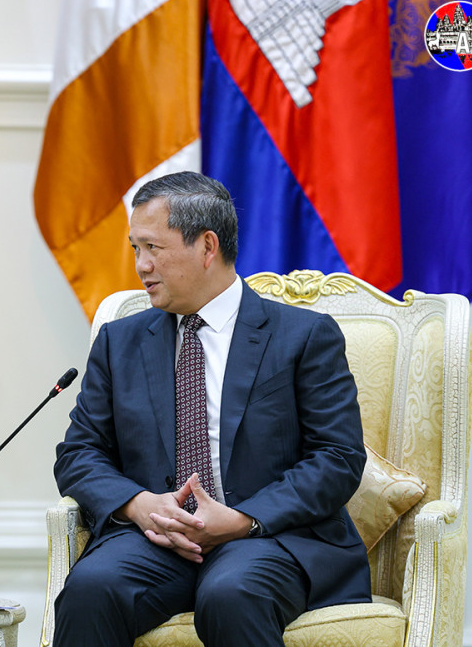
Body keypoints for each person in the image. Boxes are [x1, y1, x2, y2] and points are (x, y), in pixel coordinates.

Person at [52, 171, 370, 646]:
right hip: (156, 541)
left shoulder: (303, 336)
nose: (140, 265)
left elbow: (338, 458)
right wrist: (139, 505)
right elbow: (79, 453)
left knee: (231, 593)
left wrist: (242, 519)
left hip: (268, 537)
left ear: (206, 246)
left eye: (152, 248)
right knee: (90, 589)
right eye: (135, 248)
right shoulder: (120, 342)